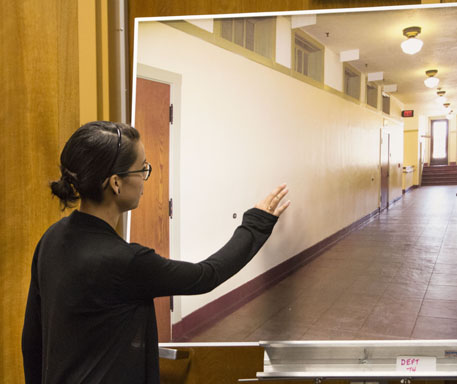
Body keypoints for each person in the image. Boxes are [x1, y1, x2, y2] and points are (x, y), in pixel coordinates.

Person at [21, 121, 290, 383]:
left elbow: (32, 340)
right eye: (142, 169)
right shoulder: (126, 262)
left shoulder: (52, 239)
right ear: (116, 183)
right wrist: (256, 223)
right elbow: (207, 275)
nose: (144, 179)